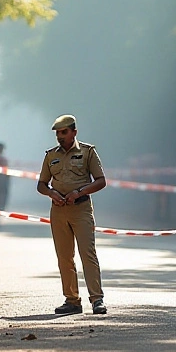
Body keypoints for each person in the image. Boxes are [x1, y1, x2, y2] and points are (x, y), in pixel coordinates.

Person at [37, 114, 108, 315]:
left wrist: (80, 192)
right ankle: (72, 300)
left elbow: (101, 180)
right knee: (64, 257)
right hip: (59, 210)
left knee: (88, 253)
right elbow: (41, 184)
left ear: (74, 132)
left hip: (81, 209)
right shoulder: (51, 155)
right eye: (58, 133)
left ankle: (97, 299)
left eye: (64, 132)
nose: (60, 136)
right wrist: (51, 193)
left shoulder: (87, 152)